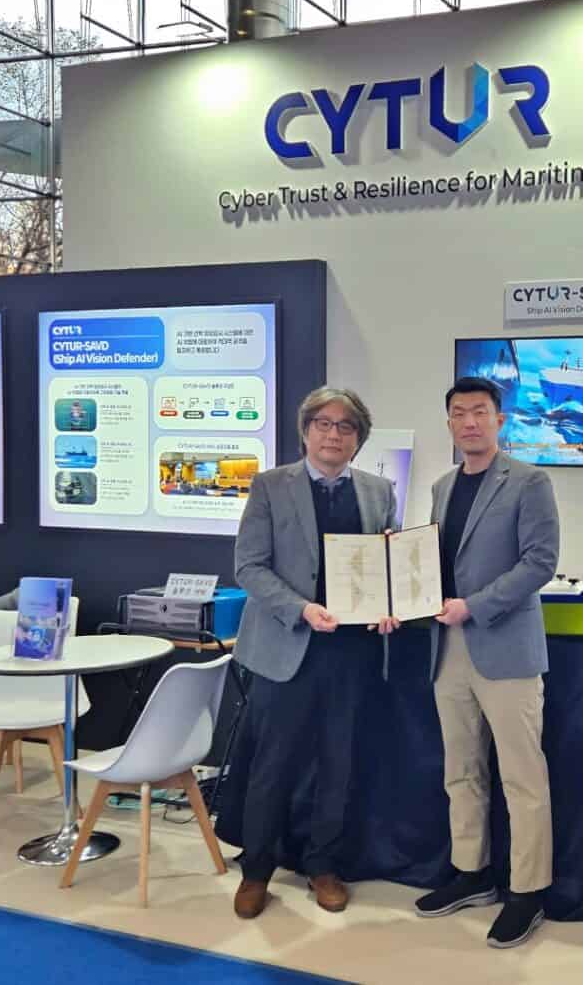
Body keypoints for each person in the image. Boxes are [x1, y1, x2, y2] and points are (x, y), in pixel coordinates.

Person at [231, 386, 396, 920]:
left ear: (358, 439)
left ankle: (322, 864)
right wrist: (301, 609)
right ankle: (257, 869)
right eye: (323, 423)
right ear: (305, 431)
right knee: (272, 765)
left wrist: (390, 604)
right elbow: (249, 567)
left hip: (352, 651)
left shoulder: (378, 491)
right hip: (287, 646)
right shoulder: (269, 486)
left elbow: (389, 565)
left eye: (346, 426)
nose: (333, 434)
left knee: (337, 763)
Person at [414, 375, 560, 948]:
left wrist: (474, 606)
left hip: (505, 648)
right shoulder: (442, 487)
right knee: (461, 769)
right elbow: (433, 564)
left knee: (522, 775)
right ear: (449, 423)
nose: (469, 421)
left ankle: (528, 891)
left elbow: (540, 562)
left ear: (500, 420)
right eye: (458, 413)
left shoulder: (529, 481)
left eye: (479, 411)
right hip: (447, 647)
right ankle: (471, 873)